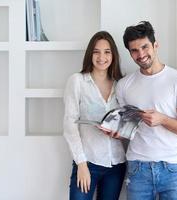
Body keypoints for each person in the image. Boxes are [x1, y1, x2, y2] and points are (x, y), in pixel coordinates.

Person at [116, 21, 177, 200]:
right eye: (134, 50)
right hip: (137, 168)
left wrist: (163, 120)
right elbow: (126, 130)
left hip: (173, 168)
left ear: (155, 45)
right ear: (130, 53)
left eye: (145, 47)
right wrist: (115, 131)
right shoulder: (124, 85)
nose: (141, 54)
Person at [63, 31, 126, 200]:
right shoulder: (77, 81)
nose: (101, 57)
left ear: (113, 55)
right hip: (88, 162)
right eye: (96, 52)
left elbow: (125, 124)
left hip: (116, 164)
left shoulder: (121, 85)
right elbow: (70, 125)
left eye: (107, 52)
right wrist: (81, 164)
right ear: (90, 54)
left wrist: (119, 133)